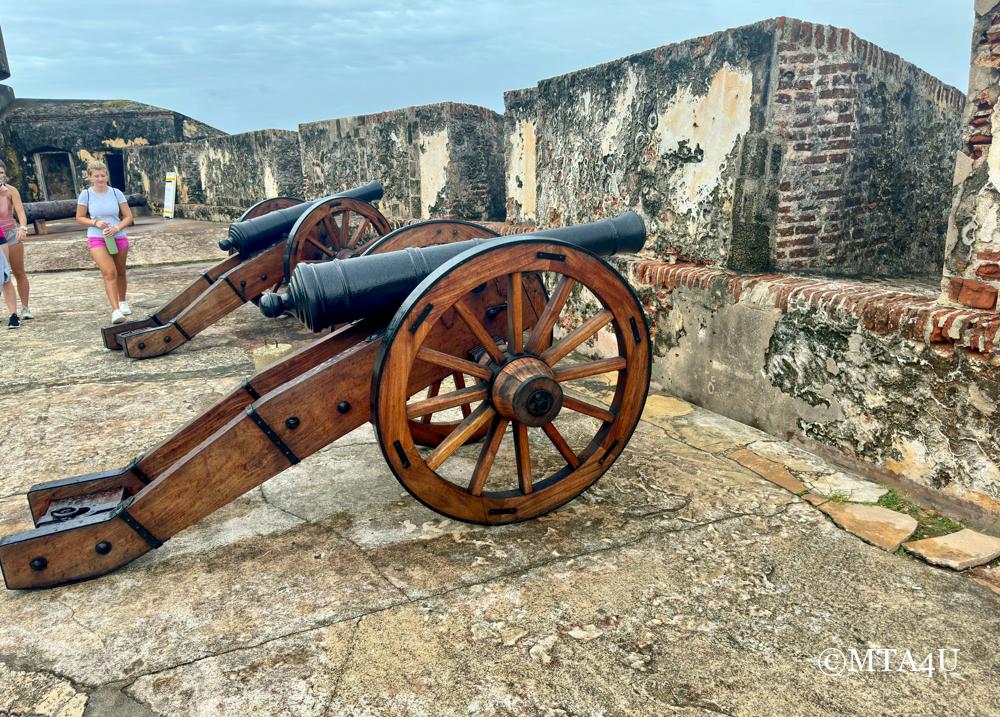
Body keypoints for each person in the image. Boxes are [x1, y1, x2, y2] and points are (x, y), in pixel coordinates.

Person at [76, 160, 134, 324]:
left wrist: (116, 228)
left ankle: (122, 301)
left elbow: (128, 216)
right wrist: (95, 223)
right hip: (97, 236)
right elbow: (79, 217)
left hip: (118, 235)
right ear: (90, 177)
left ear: (107, 176)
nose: (100, 179)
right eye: (96, 176)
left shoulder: (116, 193)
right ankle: (115, 310)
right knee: (109, 272)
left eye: (103, 175)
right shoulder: (86, 194)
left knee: (120, 271)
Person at [0, 161, 29, 329]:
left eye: (1, 172)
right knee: (3, 275)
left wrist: (23, 228)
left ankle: (25, 307)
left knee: (18, 271)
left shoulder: (11, 191)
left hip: (10, 233)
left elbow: (20, 212)